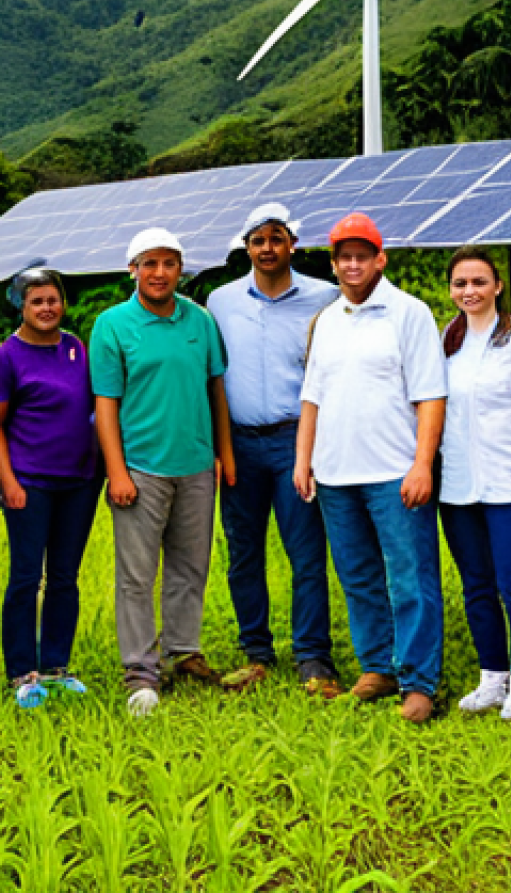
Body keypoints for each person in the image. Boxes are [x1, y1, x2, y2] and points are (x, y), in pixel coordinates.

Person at [294, 212, 447, 724]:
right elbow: (312, 396)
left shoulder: (409, 313)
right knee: (358, 576)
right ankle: (377, 665)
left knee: (410, 578)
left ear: (380, 260)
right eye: (344, 256)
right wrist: (303, 459)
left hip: (394, 471)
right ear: (333, 263)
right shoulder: (327, 319)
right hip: (336, 473)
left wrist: (422, 464)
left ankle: (418, 680)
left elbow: (430, 395)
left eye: (362, 255)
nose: (352, 264)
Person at [90, 227, 235, 716]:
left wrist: (224, 455)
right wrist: (117, 471)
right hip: (141, 467)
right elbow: (105, 404)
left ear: (180, 269)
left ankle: (183, 651)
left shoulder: (200, 321)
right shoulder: (113, 325)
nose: (159, 273)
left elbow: (216, 391)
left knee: (190, 566)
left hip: (195, 465)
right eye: (149, 264)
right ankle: (140, 669)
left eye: (169, 263)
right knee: (137, 574)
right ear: (132, 270)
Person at [207, 203, 341, 696]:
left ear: (292, 245)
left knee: (306, 552)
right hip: (239, 442)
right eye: (258, 240)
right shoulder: (220, 302)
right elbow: (213, 376)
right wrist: (221, 449)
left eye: (276, 239)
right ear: (246, 248)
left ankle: (313, 657)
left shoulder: (324, 297)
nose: (267, 248)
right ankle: (256, 653)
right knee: (243, 552)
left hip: (295, 442)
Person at [437, 246, 511, 720]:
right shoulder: (447, 340)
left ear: (498, 286)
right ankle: (492, 677)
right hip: (458, 487)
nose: (470, 291)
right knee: (477, 586)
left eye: (479, 282)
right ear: (451, 290)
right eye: (460, 283)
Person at [0, 269, 101, 707]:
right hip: (29, 483)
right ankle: (21, 672)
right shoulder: (6, 357)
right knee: (26, 577)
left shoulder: (76, 348)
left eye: (53, 300)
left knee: (65, 577)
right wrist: (8, 481)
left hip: (79, 482)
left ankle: (55, 667)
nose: (47, 308)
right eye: (37, 302)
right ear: (21, 306)